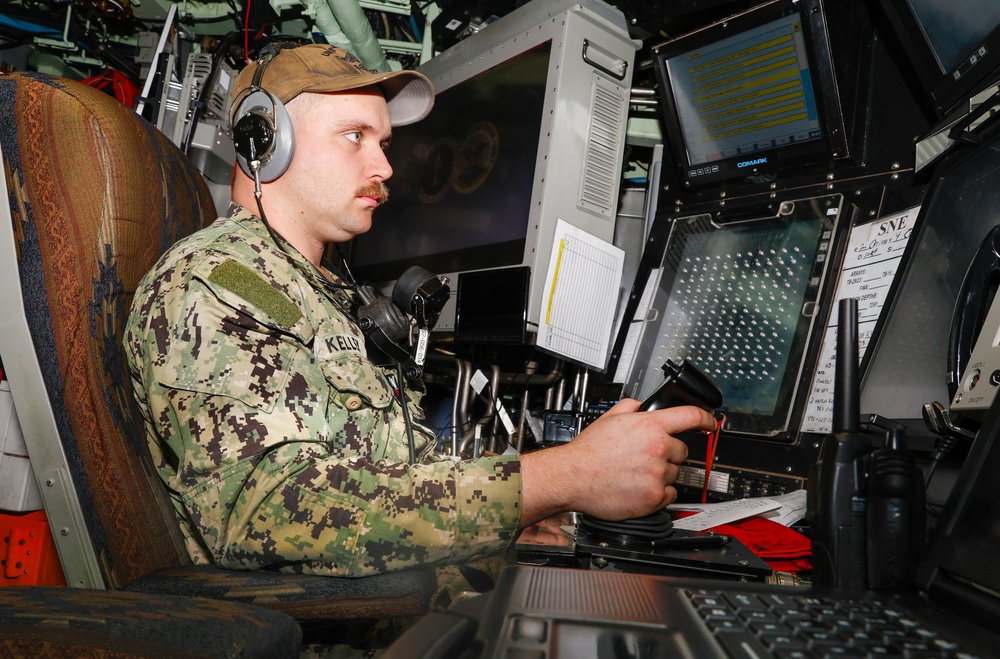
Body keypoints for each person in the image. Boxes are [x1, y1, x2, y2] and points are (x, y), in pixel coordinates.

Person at [124, 44, 717, 612]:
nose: (384, 166)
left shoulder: (315, 291)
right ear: (265, 143)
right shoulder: (218, 284)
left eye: (383, 142)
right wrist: (565, 475)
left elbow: (381, 475)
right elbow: (270, 515)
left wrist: (507, 516)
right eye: (354, 136)